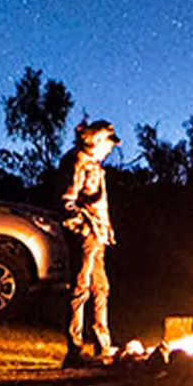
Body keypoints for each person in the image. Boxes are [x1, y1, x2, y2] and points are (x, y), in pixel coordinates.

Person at [62, 119, 118, 364]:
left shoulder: (94, 165)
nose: (110, 149)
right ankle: (75, 348)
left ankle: (102, 344)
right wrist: (82, 227)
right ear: (95, 140)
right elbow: (67, 200)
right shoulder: (78, 163)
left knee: (100, 288)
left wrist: (104, 230)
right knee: (80, 288)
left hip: (99, 235)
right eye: (108, 143)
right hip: (87, 235)